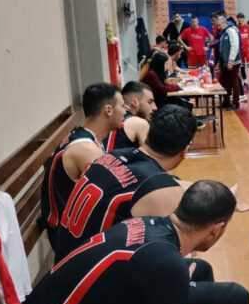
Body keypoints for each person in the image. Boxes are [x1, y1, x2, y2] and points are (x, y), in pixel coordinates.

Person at [16, 180, 249, 304]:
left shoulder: (148, 224)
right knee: (236, 295)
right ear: (216, 230)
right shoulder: (168, 264)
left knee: (201, 270)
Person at [48, 105, 198, 261]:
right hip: (89, 272)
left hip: (64, 259)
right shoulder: (161, 190)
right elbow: (172, 255)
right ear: (185, 150)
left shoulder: (110, 156)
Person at [40, 83, 126, 251]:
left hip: (71, 229)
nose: (125, 111)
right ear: (108, 110)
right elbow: (113, 195)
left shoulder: (84, 137)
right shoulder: (86, 149)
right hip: (69, 239)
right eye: (122, 106)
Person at [104, 81, 157, 151]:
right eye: (150, 102)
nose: (155, 107)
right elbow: (153, 156)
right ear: (135, 102)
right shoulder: (139, 123)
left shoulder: (109, 120)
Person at [215, 10, 242, 110]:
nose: (218, 27)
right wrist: (219, 62)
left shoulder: (231, 31)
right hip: (225, 62)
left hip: (233, 62)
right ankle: (226, 101)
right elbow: (222, 49)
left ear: (224, 22)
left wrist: (231, 61)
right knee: (225, 82)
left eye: (219, 25)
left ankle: (236, 103)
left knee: (233, 82)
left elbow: (235, 46)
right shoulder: (223, 33)